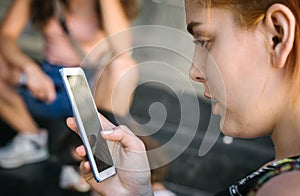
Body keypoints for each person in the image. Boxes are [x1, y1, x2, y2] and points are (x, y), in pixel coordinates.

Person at [67, 0, 300, 195]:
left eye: (205, 40)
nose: (194, 72)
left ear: (276, 35)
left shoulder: (286, 187)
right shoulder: (278, 175)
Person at [0, 0, 139, 191]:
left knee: (123, 67)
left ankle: (86, 156)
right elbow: (5, 36)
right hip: (47, 81)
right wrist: (29, 68)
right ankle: (32, 138)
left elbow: (123, 49)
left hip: (87, 85)